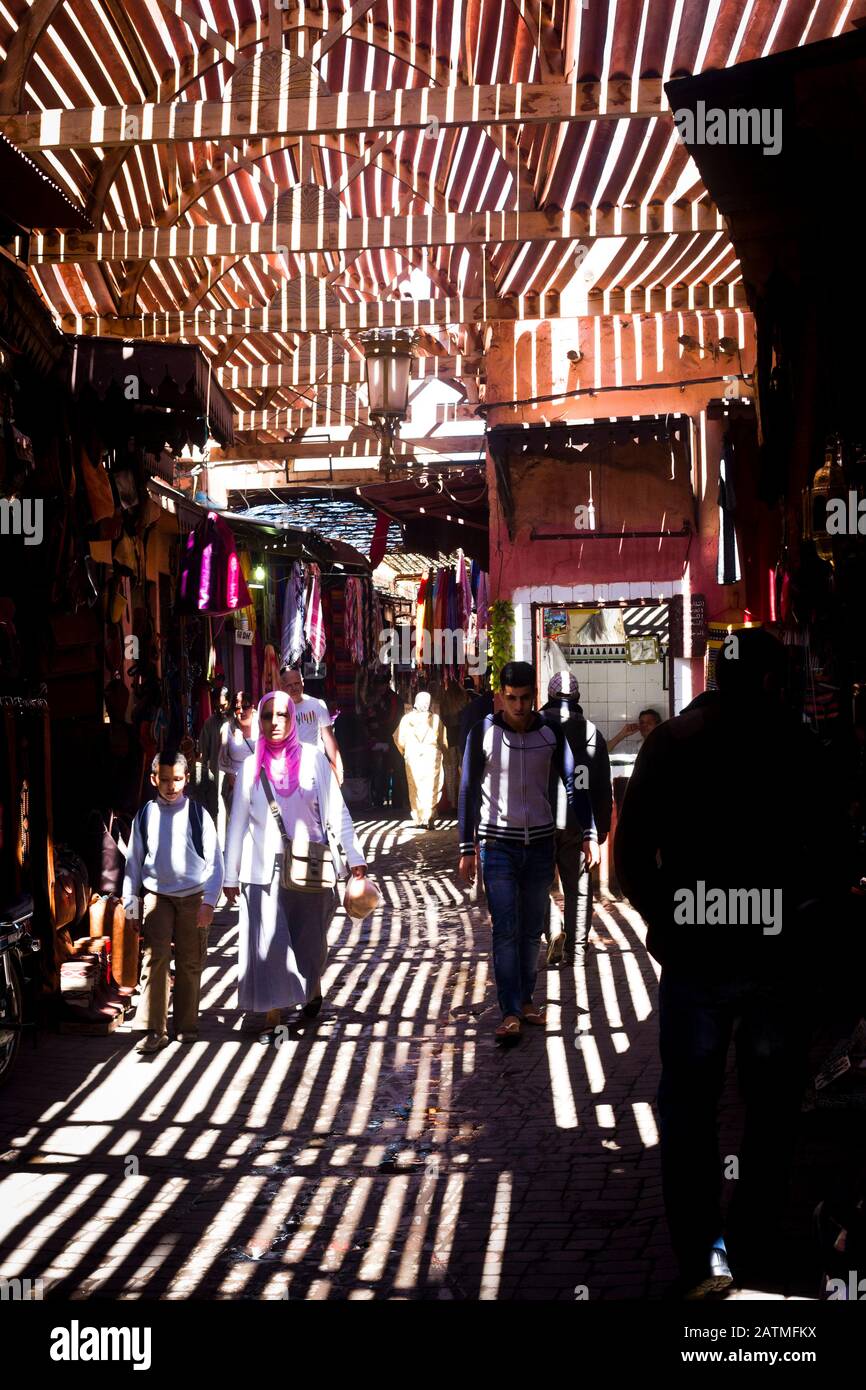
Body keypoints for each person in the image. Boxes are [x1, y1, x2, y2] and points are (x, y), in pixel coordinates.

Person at [614, 630, 848, 1298]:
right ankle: (752, 1235)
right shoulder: (800, 746)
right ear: (774, 681)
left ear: (716, 675)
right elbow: (833, 860)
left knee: (689, 1108)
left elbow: (631, 859)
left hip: (698, 959)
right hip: (774, 960)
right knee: (770, 1107)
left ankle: (704, 1255)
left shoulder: (672, 744)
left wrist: (671, 918)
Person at [458, 660, 598, 1043]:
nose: (518, 706)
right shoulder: (483, 733)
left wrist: (588, 831)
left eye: (524, 699)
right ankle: (509, 1010)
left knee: (532, 929)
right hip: (496, 845)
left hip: (539, 845)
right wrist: (466, 846)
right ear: (502, 695)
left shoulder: (551, 733)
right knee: (505, 929)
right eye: (512, 698)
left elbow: (574, 782)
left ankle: (526, 1000)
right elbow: (468, 789)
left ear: (534, 697)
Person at [223, 691, 367, 1037]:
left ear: (292, 719)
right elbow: (237, 823)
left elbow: (336, 810)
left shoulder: (314, 758)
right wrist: (230, 875)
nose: (275, 723)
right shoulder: (249, 767)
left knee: (310, 937)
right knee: (271, 942)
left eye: (282, 716)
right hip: (263, 868)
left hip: (312, 864)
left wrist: (355, 858)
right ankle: (274, 1010)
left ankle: (310, 987)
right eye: (267, 716)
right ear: (260, 721)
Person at [122, 751, 224, 1053]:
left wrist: (209, 902)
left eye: (177, 779)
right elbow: (133, 863)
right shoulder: (145, 815)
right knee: (155, 960)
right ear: (154, 779)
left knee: (191, 961)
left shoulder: (198, 814)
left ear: (186, 779)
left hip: (193, 897)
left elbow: (215, 863)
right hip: (157, 896)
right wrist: (131, 906)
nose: (171, 786)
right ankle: (154, 1028)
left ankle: (186, 1025)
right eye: (164, 780)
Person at [540, 670, 612, 966]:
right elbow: (601, 788)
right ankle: (577, 950)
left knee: (536, 885)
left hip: (539, 822)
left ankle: (554, 930)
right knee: (578, 889)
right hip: (579, 824)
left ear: (548, 696)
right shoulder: (593, 733)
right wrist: (600, 831)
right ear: (578, 698)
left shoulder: (535, 728)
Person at [279, 664, 343, 783]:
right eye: (289, 685)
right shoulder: (277, 710)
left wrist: (339, 769)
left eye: (297, 683)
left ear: (302, 682)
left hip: (316, 767)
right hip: (289, 771)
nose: (294, 688)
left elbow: (329, 739)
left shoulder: (317, 705)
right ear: (281, 687)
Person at [393, 692, 448, 828]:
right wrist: (444, 753)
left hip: (412, 756)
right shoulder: (435, 720)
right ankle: (429, 815)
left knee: (415, 788)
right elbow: (443, 741)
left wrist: (405, 752)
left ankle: (418, 818)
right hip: (431, 756)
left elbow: (398, 739)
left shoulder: (406, 720)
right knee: (431, 787)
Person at [219, 690, 257, 824]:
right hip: (237, 785)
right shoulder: (228, 728)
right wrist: (230, 775)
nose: (241, 711)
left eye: (245, 707)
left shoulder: (262, 725)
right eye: (237, 708)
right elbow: (222, 760)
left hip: (260, 782)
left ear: (252, 707)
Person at [197, 686, 230, 823]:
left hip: (235, 773)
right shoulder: (209, 723)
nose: (220, 709)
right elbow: (203, 753)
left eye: (223, 706)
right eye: (217, 706)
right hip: (217, 774)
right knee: (220, 811)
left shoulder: (235, 721)